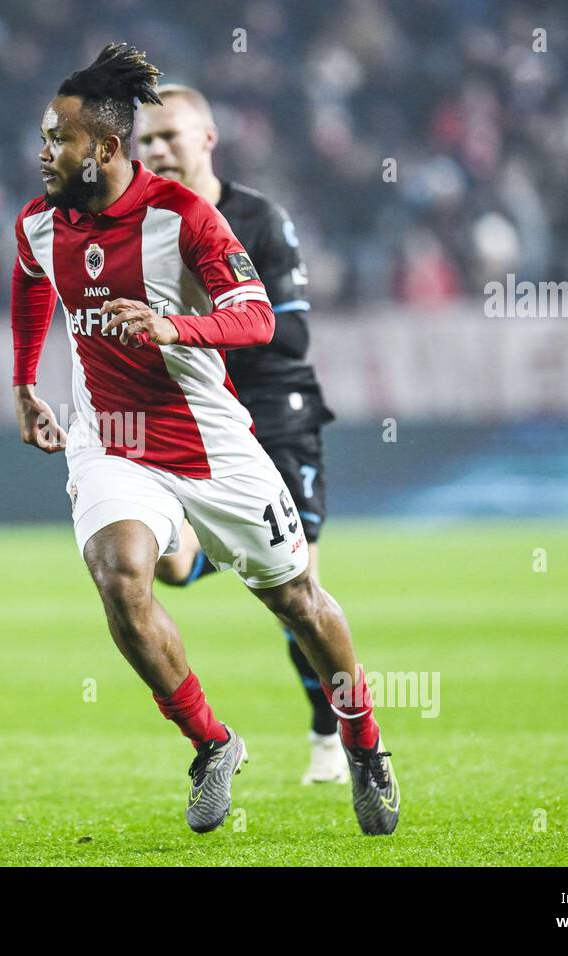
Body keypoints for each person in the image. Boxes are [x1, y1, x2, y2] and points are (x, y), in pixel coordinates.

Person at [9, 42, 398, 835]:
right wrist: (23, 383)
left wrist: (172, 325)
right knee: (121, 580)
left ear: (105, 148)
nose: (44, 153)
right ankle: (211, 744)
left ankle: (362, 740)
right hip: (110, 439)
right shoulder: (40, 223)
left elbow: (256, 317)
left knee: (296, 600)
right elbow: (27, 281)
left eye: (59, 139)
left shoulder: (183, 217)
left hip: (209, 440)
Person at [136, 84, 345, 785]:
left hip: (273, 411)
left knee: (298, 590)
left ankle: (333, 734)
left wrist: (194, 331)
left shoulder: (257, 218)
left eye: (170, 136)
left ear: (207, 139)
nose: (157, 150)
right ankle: (234, 538)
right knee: (165, 566)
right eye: (145, 141)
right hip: (190, 416)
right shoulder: (131, 227)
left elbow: (292, 328)